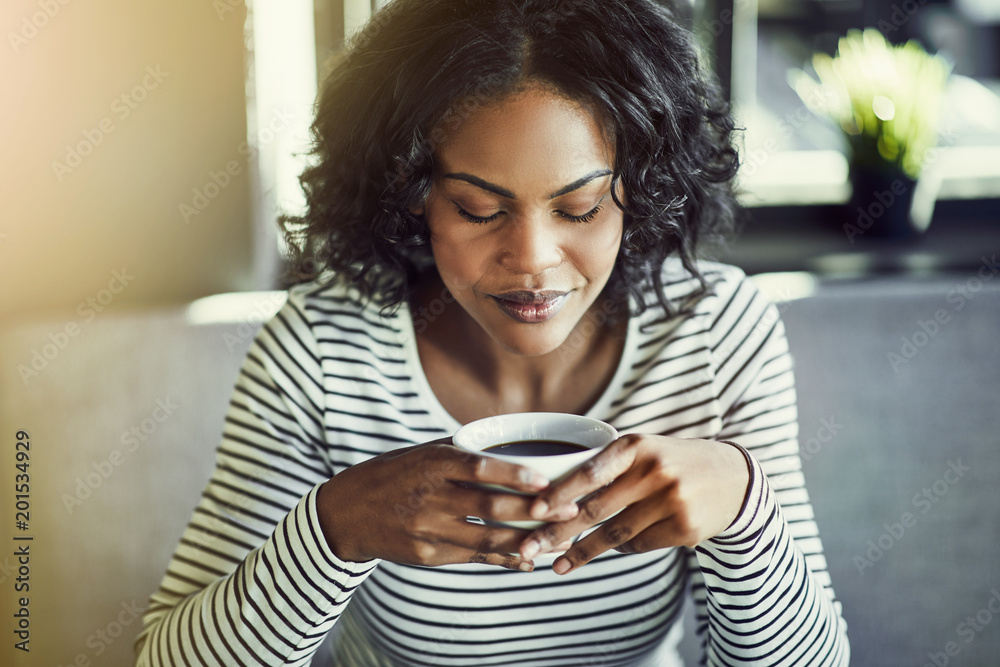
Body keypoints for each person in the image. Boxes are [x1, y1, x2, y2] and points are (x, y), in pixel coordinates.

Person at [136, 0, 850, 665]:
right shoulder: (321, 351)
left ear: (641, 186)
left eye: (581, 207)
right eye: (479, 209)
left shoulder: (716, 334)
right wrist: (335, 529)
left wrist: (744, 506)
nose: (533, 260)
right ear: (410, 193)